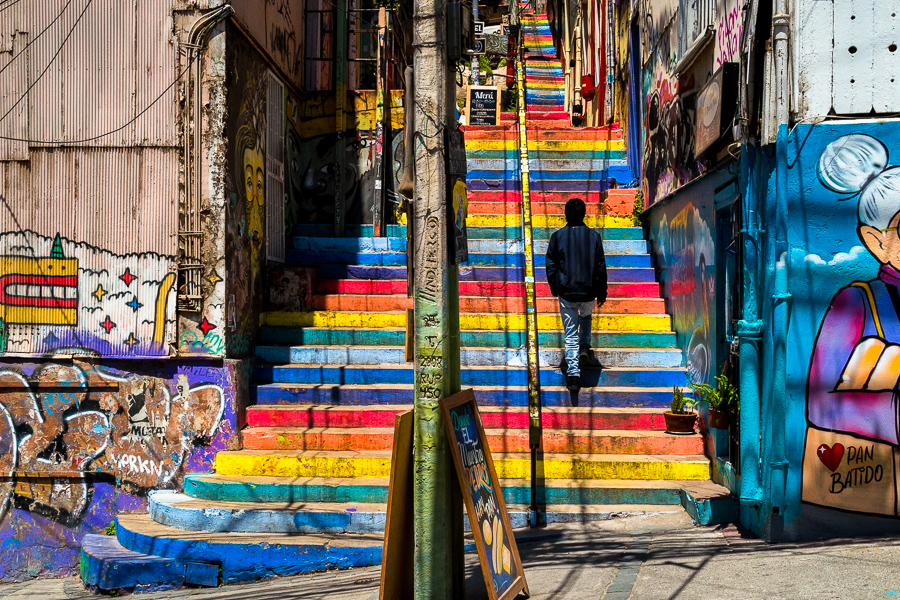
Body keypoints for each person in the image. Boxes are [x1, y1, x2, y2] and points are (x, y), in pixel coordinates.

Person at [546, 198, 608, 394]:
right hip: (589, 289)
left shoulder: (557, 237)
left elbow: (550, 265)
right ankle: (585, 346)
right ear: (584, 215)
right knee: (586, 317)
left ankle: (573, 376)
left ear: (565, 214)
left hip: (567, 292)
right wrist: (602, 290)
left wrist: (556, 287)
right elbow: (600, 266)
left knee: (570, 334)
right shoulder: (594, 237)